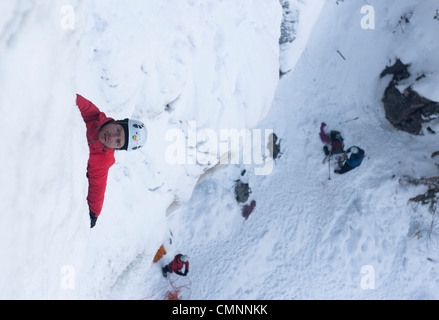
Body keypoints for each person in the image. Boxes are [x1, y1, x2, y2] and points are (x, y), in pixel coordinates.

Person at [76, 94, 147, 228]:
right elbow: (68, 94)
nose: (112, 137)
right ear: (116, 122)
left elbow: (98, 184)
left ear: (118, 148)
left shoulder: (103, 159)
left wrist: (93, 214)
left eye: (118, 142)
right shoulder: (92, 115)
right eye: (118, 130)